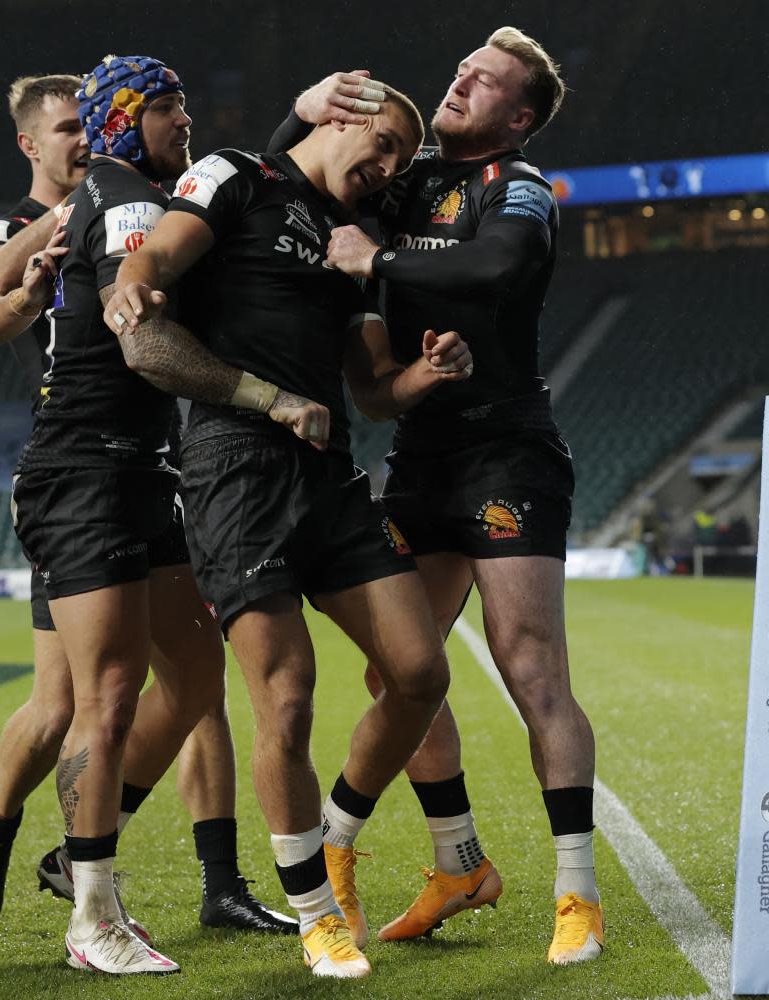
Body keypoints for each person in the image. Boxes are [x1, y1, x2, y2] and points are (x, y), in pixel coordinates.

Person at [102, 86, 473, 978]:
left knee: (419, 672)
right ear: (335, 117)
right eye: (381, 143)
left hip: (331, 471)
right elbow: (150, 274)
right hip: (236, 469)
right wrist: (131, 283)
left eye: (396, 160)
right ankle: (315, 914)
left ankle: (336, 832)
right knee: (289, 692)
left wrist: (428, 375)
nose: (384, 169)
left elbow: (375, 388)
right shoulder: (237, 175)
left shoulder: (350, 244)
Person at [276, 27, 603, 965]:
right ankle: (460, 862)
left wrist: (373, 262)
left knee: (529, 666)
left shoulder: (521, 188)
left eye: (487, 81)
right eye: (463, 69)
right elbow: (283, 187)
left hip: (508, 452)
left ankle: (577, 892)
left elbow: (493, 267)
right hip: (421, 454)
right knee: (400, 673)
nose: (462, 82)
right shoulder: (407, 174)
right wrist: (300, 114)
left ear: (521, 116)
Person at [0, 72, 294, 939]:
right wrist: (82, 200)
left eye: (89, 125)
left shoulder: (132, 202)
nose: (79, 140)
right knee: (64, 705)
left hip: (150, 457)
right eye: (64, 128)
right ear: (31, 145)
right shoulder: (24, 222)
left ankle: (217, 881)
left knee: (196, 684)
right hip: (78, 460)